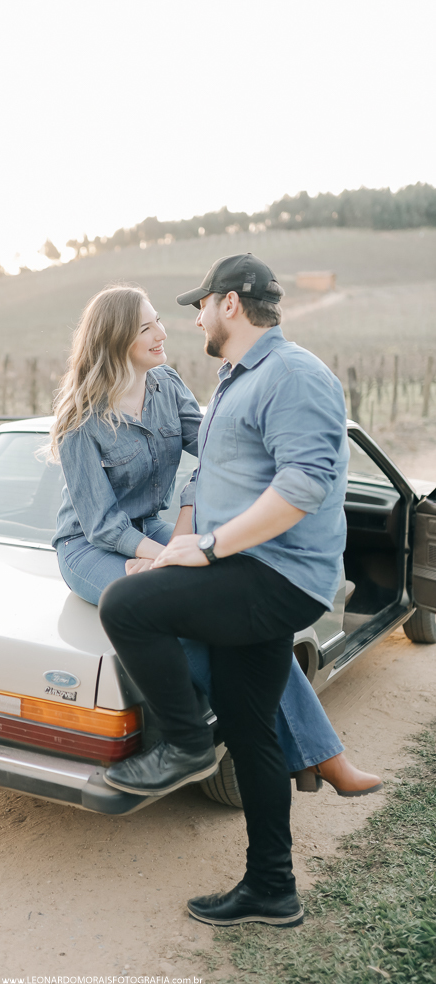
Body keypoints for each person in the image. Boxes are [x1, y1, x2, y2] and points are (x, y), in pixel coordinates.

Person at [95, 254, 356, 927]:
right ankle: (271, 889)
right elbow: (209, 477)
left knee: (126, 605)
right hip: (248, 572)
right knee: (250, 730)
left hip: (274, 575)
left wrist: (207, 548)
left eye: (199, 304)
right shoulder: (236, 379)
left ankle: (182, 743)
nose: (195, 317)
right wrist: (188, 539)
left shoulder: (291, 374)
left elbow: (303, 486)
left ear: (230, 304)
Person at [50, 282, 381, 800]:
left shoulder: (167, 386)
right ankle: (272, 750)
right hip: (90, 547)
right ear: (115, 340)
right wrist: (164, 558)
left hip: (154, 529)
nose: (163, 333)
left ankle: (321, 753)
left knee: (237, 616)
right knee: (177, 619)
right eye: (146, 327)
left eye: (159, 319)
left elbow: (214, 453)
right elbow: (100, 524)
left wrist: (184, 527)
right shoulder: (80, 418)